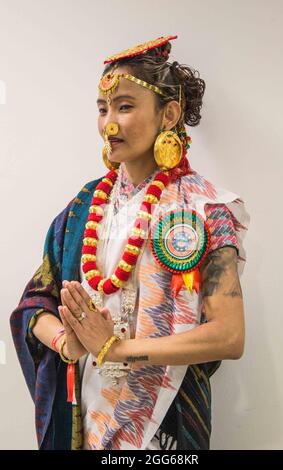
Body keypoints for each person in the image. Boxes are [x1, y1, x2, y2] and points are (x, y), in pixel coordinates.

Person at [10, 35, 250, 450]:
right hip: (84, 415)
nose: (110, 124)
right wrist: (68, 343)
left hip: (165, 419)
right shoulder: (83, 208)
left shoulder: (206, 208)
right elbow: (34, 305)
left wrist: (116, 348)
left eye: (125, 106)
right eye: (103, 109)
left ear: (169, 114)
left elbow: (229, 336)